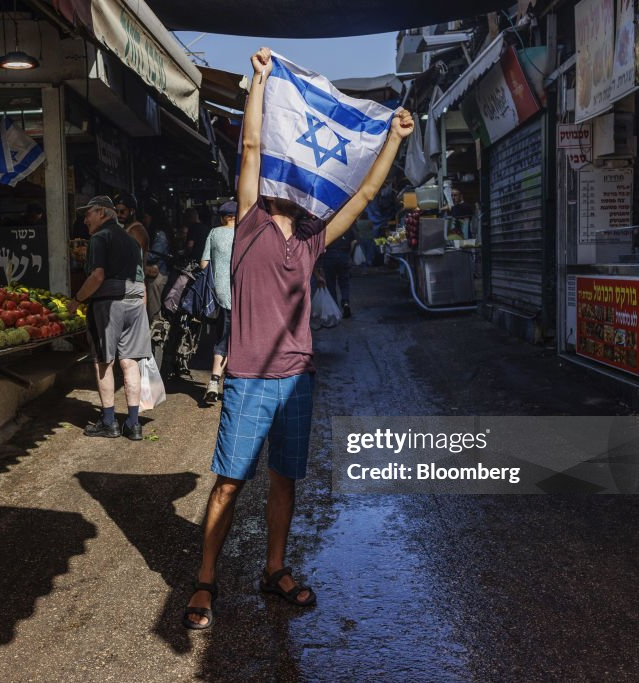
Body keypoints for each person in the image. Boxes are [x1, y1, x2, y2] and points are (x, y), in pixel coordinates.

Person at [182, 47, 413, 629]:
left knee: (285, 480)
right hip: (248, 377)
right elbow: (254, 147)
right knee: (229, 484)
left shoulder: (311, 238)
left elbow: (360, 196)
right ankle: (205, 579)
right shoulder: (250, 220)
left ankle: (274, 569)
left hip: (295, 378)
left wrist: (393, 140)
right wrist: (259, 82)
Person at [68, 195, 152, 441]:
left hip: (109, 304)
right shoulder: (130, 239)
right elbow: (140, 279)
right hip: (135, 303)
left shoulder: (99, 238)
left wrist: (77, 300)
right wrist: (143, 309)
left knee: (103, 362)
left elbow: (97, 276)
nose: (85, 220)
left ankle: (108, 422)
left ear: (102, 213)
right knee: (130, 362)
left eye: (88, 214)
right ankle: (134, 424)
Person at [199, 200, 237, 403]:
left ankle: (214, 381)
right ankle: (235, 382)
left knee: (222, 338)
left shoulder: (214, 233)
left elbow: (204, 264)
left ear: (222, 217)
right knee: (240, 338)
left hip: (221, 296)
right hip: (245, 295)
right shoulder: (246, 234)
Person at [321, 223, 358, 318]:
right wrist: (349, 254)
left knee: (331, 283)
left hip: (329, 256)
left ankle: (335, 308)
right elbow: (354, 242)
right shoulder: (346, 224)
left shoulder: (327, 226)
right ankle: (345, 302)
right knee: (344, 282)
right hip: (344, 255)